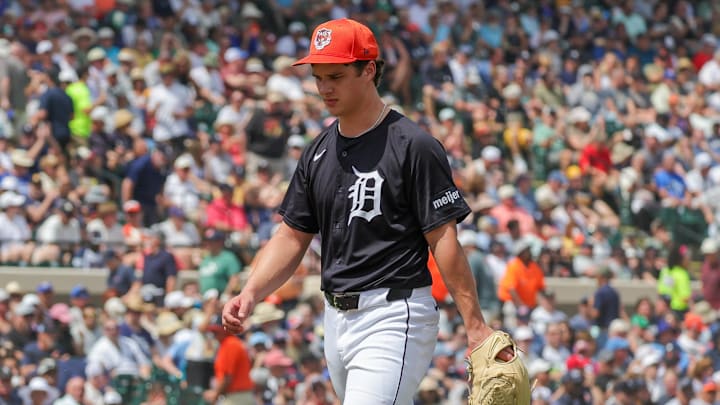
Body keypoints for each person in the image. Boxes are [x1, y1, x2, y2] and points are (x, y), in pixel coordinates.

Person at [222, 18, 514, 404]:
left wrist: (475, 325)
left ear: (369, 69)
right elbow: (292, 234)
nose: (324, 87)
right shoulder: (318, 150)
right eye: (318, 76)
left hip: (393, 315)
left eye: (336, 76)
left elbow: (444, 239)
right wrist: (251, 291)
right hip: (336, 318)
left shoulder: (413, 145)